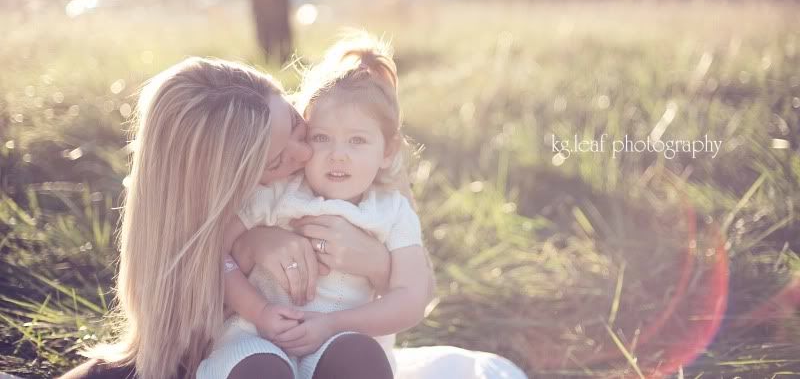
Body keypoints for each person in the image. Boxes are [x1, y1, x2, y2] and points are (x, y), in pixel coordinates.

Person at [60, 49, 527, 379]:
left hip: (336, 344)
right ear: (229, 187)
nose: (310, 157)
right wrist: (248, 246)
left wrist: (373, 263)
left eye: (301, 128)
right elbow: (216, 254)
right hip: (253, 345)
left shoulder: (365, 170)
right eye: (281, 158)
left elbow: (413, 290)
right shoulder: (254, 208)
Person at [199, 35, 428, 379]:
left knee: (358, 358)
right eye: (322, 137)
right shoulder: (278, 192)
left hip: (337, 340)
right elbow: (217, 255)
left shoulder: (392, 212)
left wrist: (333, 323)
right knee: (260, 370)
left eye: (357, 140)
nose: (338, 154)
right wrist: (260, 312)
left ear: (388, 151)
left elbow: (411, 299)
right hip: (258, 336)